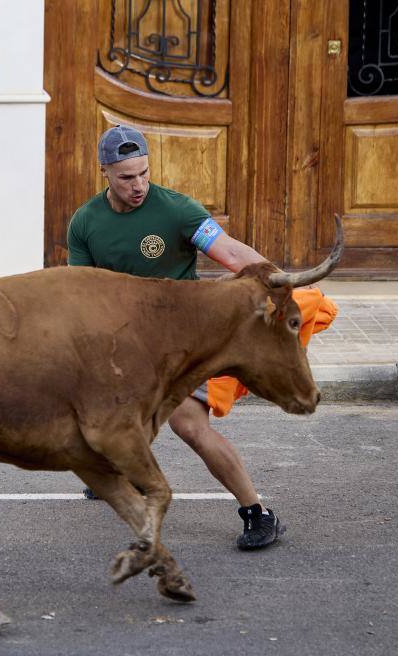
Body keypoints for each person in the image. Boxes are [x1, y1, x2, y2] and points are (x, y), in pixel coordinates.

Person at [67, 124, 284, 550]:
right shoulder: (86, 222)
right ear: (105, 172)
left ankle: (258, 512)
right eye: (127, 177)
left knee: (189, 426)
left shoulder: (176, 210)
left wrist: (281, 280)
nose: (139, 185)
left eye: (144, 173)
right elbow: (82, 289)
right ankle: (118, 470)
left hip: (181, 341)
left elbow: (232, 253)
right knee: (104, 409)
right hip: (128, 341)